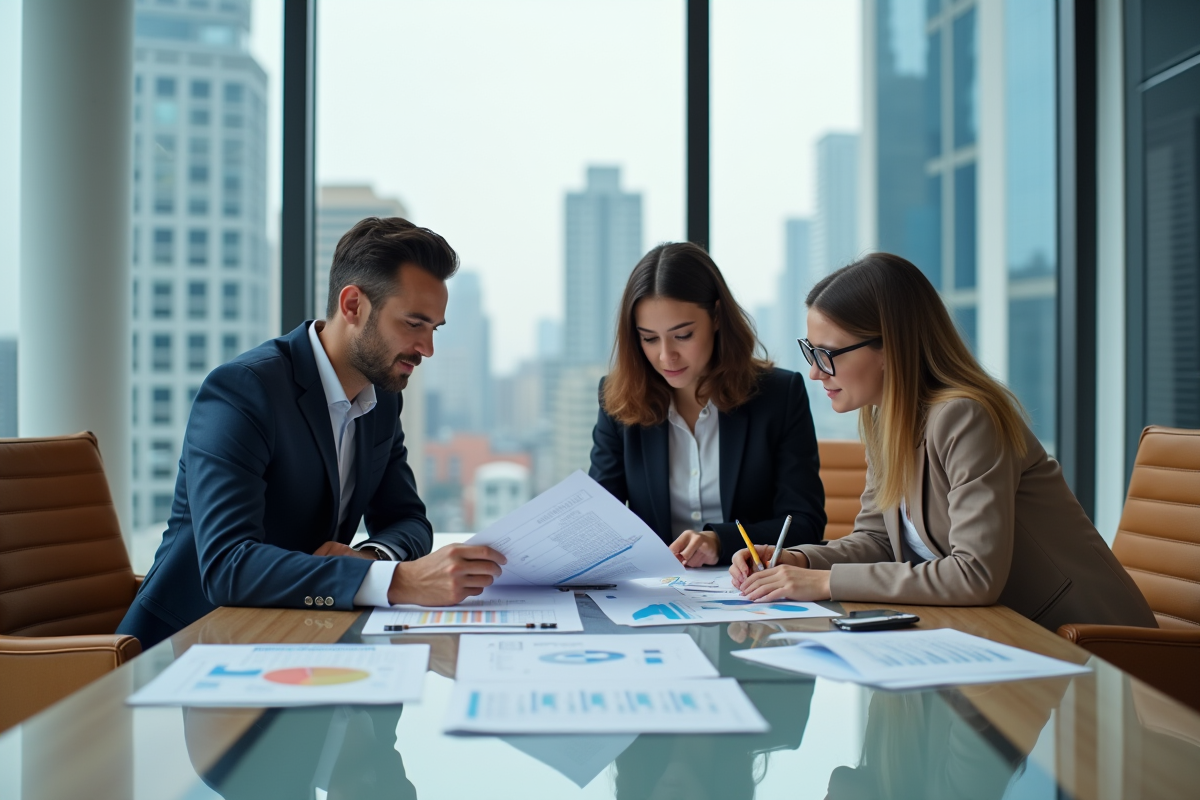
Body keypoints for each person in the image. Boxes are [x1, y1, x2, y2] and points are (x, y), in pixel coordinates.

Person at [118, 217, 505, 649]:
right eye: (414, 324)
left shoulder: (382, 399)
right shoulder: (244, 391)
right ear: (353, 305)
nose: (427, 349)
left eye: (434, 329)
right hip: (184, 650)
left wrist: (371, 558)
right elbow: (228, 566)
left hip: (298, 640)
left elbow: (406, 520)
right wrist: (395, 581)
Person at [731, 252, 1156, 631]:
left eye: (828, 354)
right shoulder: (886, 419)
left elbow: (975, 574)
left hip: (1090, 643)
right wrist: (799, 560)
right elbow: (878, 541)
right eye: (811, 352)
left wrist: (823, 582)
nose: (816, 373)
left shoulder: (966, 416)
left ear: (890, 348)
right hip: (1001, 633)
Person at [589, 242, 826, 568]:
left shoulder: (779, 395)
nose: (665, 356)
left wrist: (720, 541)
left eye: (682, 335)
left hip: (750, 595)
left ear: (716, 317)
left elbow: (804, 524)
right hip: (655, 594)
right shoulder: (617, 400)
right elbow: (600, 520)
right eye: (649, 338)